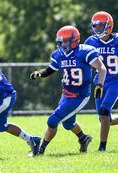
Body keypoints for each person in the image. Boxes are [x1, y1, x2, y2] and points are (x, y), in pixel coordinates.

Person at [30, 25, 106, 155]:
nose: (63, 44)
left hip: (80, 95)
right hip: (66, 94)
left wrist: (99, 85)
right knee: (68, 124)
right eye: (61, 42)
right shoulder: (59, 55)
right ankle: (83, 138)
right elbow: (50, 69)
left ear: (74, 40)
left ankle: (40, 150)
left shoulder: (84, 52)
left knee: (53, 120)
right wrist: (39, 73)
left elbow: (101, 67)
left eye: (66, 41)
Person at [84, 11, 118, 152]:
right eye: (95, 26)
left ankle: (102, 148)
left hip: (116, 81)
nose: (97, 29)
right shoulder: (90, 42)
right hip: (100, 81)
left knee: (104, 111)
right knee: (104, 118)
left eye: (101, 26)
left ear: (109, 26)